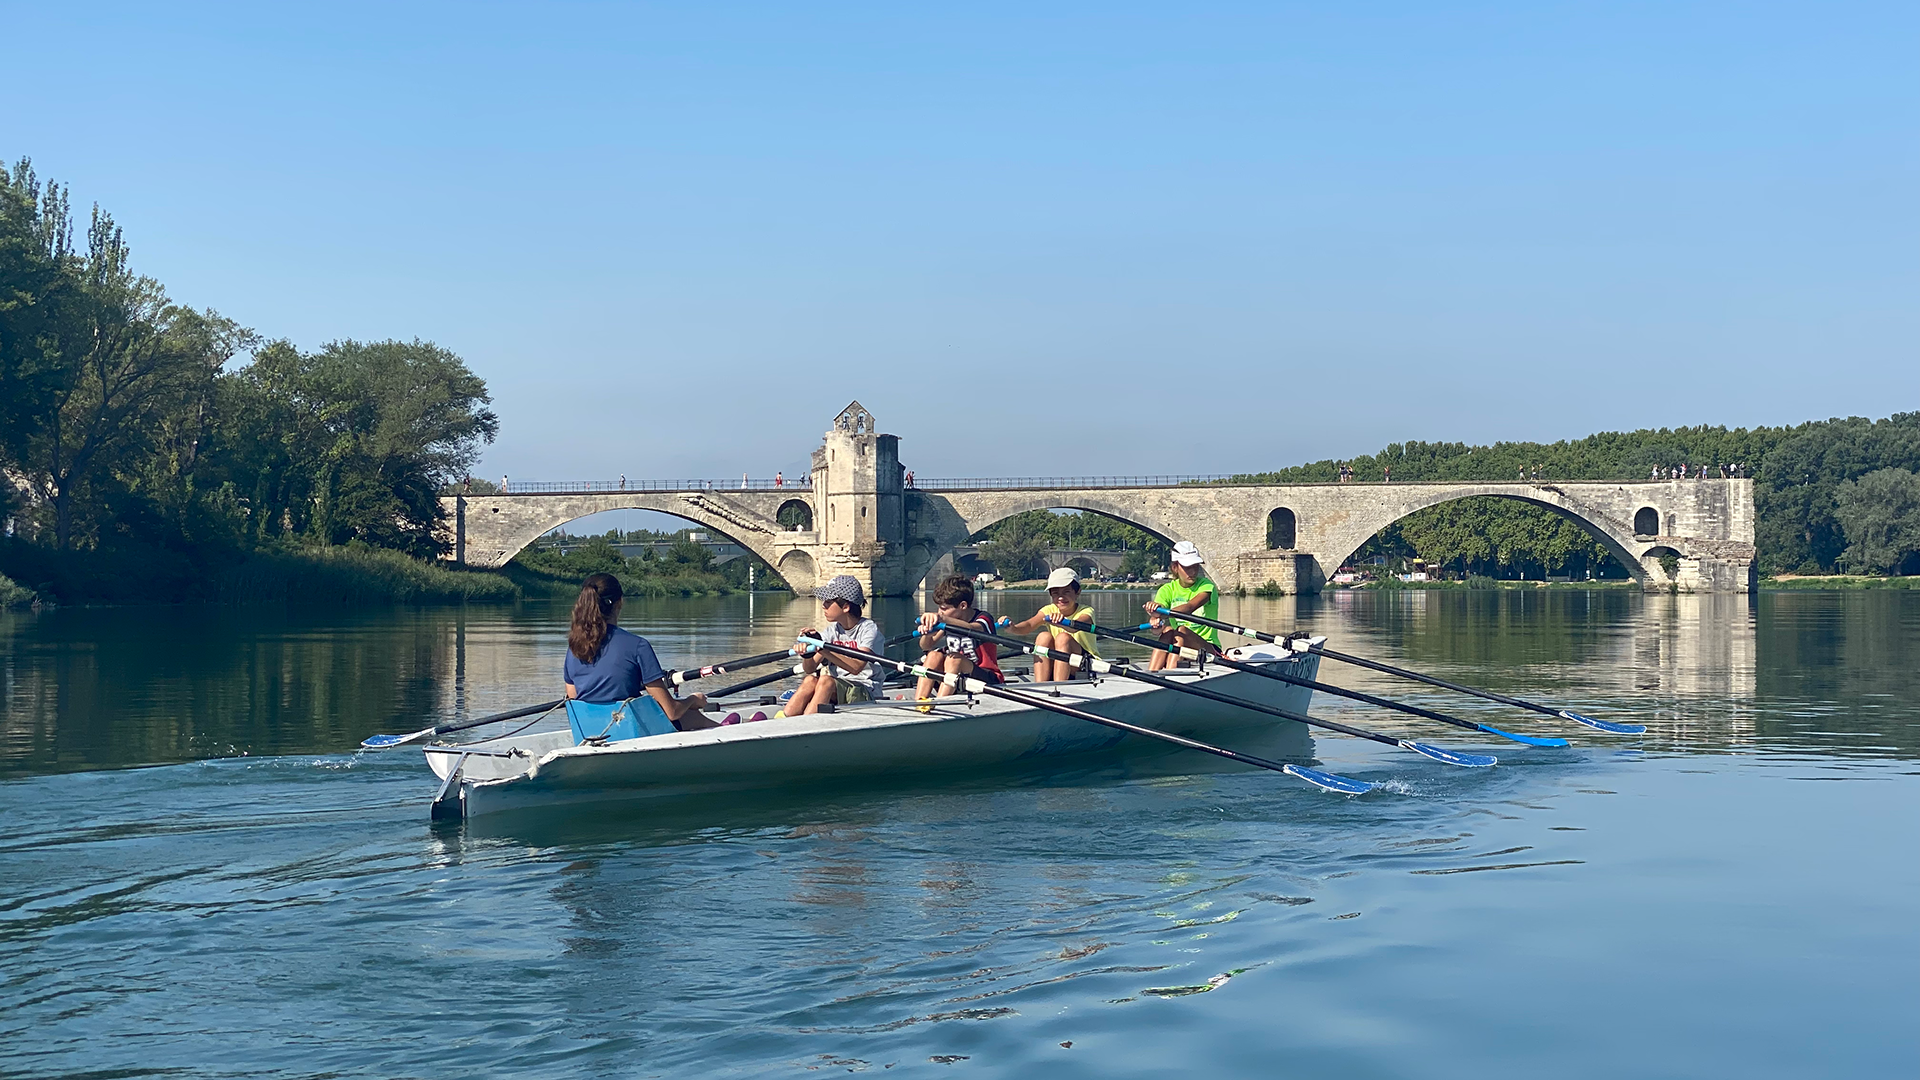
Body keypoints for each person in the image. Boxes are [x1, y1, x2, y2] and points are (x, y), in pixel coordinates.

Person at [564, 573, 723, 730]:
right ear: (620, 602)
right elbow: (672, 712)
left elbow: (575, 700)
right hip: (628, 731)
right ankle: (726, 730)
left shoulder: (573, 649)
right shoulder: (637, 645)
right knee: (691, 716)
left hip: (591, 732)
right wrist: (692, 700)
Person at [786, 576, 884, 715]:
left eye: (828, 601)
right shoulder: (832, 631)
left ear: (845, 607)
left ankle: (806, 725)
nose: (823, 605)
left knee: (825, 681)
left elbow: (856, 667)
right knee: (809, 680)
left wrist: (822, 648)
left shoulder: (868, 629)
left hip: (866, 690)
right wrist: (807, 654)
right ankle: (784, 720)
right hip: (837, 689)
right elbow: (810, 668)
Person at [914, 574, 1002, 700]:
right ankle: (919, 702)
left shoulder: (984, 619)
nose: (940, 612)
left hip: (987, 678)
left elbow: (971, 628)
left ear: (963, 606)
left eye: (944, 608)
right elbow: (926, 645)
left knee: (954, 659)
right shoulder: (949, 621)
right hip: (956, 678)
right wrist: (927, 634)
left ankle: (940, 704)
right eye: (939, 608)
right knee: (933, 655)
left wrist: (943, 619)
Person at [1003, 567, 1099, 681]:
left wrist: (1062, 622)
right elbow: (1029, 625)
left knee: (1063, 638)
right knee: (1043, 637)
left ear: (1078, 592)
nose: (1061, 598)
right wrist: (1013, 628)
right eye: (1055, 593)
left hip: (1087, 664)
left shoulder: (1086, 611)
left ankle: (1059, 686)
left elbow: (1077, 626)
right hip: (1062, 661)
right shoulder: (1048, 610)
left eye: (1066, 592)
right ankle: (1041, 685)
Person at [1143, 541, 1220, 671]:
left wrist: (1161, 614)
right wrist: (1154, 614)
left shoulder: (1207, 586)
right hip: (1179, 645)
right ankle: (1152, 673)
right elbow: (1156, 631)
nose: (1193, 572)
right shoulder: (1166, 590)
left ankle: (1171, 674)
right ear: (1175, 568)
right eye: (1187, 567)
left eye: (1195, 566)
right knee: (1167, 631)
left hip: (1208, 648)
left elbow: (1190, 607)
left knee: (1181, 630)